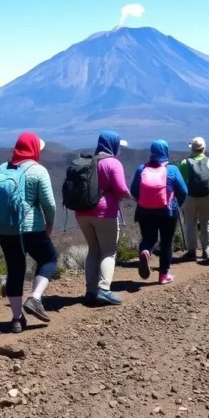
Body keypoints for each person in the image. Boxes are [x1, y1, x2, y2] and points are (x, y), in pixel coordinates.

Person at [0, 132, 58, 333]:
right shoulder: (38, 171)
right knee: (49, 259)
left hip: (4, 229)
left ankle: (16, 319)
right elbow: (49, 204)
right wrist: (49, 224)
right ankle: (35, 298)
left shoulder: (2, 168)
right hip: (31, 228)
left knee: (15, 269)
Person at [74, 131, 131, 306]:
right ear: (112, 144)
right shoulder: (113, 163)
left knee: (93, 249)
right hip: (104, 213)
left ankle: (91, 291)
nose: (119, 148)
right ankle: (104, 289)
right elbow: (121, 189)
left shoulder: (88, 162)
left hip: (82, 212)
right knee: (108, 251)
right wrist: (131, 196)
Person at [131, 140, 188, 284]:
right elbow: (183, 191)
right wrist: (178, 204)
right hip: (168, 212)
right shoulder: (173, 170)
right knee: (166, 242)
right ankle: (163, 275)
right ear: (166, 152)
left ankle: (145, 251)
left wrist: (143, 201)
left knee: (149, 238)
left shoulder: (141, 169)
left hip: (145, 211)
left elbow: (133, 191)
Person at [178, 137, 209, 261]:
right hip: (206, 197)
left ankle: (191, 252)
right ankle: (207, 251)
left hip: (190, 198)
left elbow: (180, 182)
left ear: (192, 148)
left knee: (190, 223)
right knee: (206, 222)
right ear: (203, 148)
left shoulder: (185, 163)